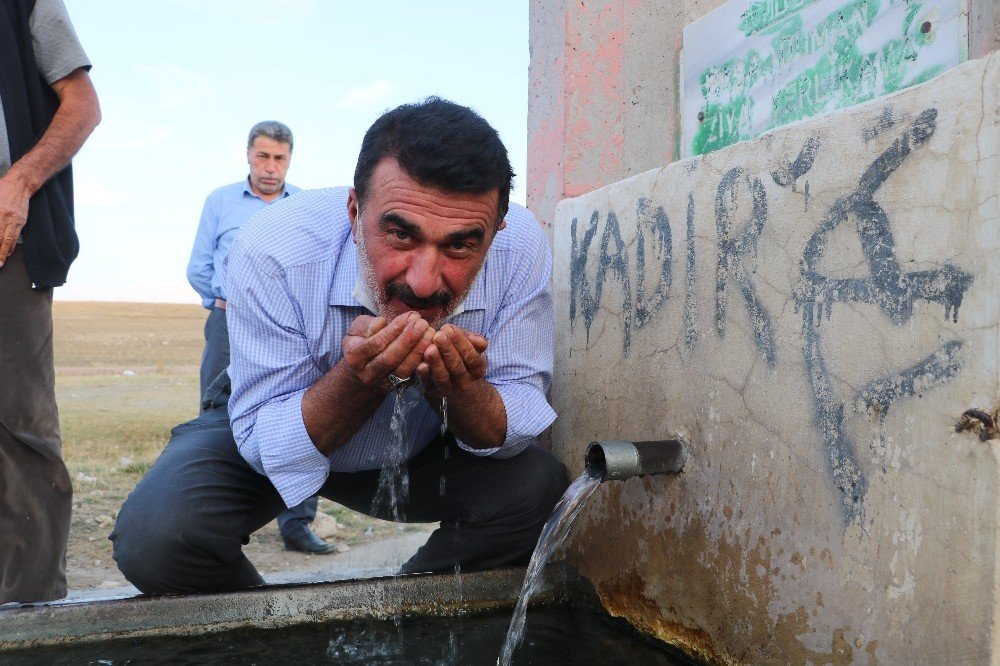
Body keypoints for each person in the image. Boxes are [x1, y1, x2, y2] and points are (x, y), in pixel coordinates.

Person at [111, 97, 568, 593]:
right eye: (399, 234)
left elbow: (518, 414)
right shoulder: (273, 248)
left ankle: (406, 624)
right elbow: (265, 444)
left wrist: (457, 391)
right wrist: (360, 380)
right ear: (354, 212)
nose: (422, 280)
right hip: (278, 418)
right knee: (158, 535)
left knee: (538, 491)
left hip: (422, 437)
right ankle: (274, 640)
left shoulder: (521, 245)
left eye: (460, 244)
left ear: (496, 232)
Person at [186, 121, 333, 555]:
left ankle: (297, 526)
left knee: (301, 415)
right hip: (230, 323)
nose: (271, 167)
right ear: (249, 155)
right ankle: (210, 528)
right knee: (216, 414)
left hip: (291, 328)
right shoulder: (221, 202)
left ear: (290, 159)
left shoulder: (305, 207)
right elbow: (199, 265)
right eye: (263, 156)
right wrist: (220, 299)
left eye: (280, 158)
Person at [0, 0, 101, 603]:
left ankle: (33, 609)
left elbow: (83, 106)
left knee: (21, 424)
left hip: (6, 240)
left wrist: (19, 181)